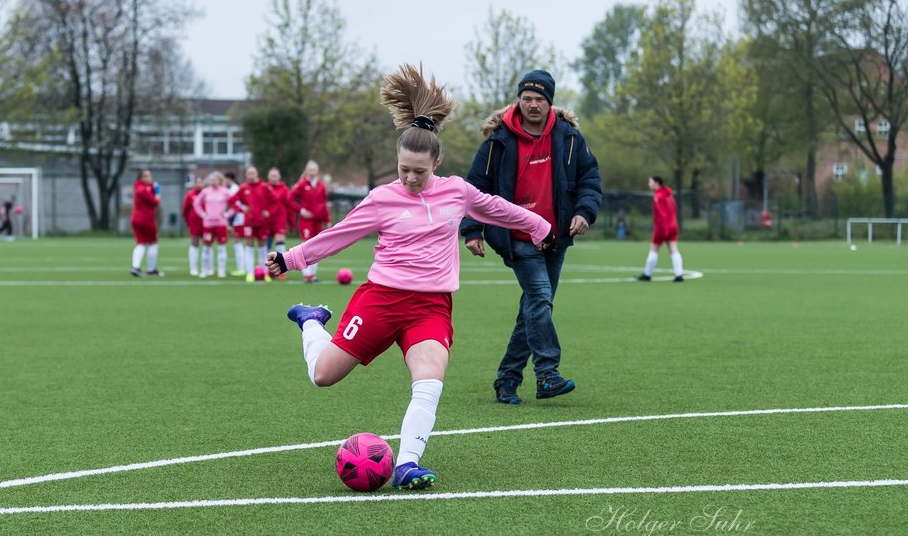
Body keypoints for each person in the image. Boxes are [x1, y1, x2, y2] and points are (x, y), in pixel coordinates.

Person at [266, 64, 553, 490]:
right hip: (380, 300)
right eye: (404, 169)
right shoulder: (382, 198)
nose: (411, 178)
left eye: (419, 170)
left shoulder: (457, 191)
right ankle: (311, 320)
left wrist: (538, 225)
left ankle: (407, 464)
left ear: (436, 162)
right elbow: (339, 235)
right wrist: (289, 259)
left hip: (431, 308)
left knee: (429, 380)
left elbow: (497, 207)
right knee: (323, 376)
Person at [460, 69, 603, 406]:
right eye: (527, 98)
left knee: (533, 309)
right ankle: (547, 374)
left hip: (557, 235)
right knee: (539, 297)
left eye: (539, 99)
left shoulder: (569, 138)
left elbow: (590, 178)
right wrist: (471, 230)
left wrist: (584, 212)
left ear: (550, 102)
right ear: (519, 100)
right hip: (515, 236)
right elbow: (473, 187)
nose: (533, 104)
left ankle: (507, 379)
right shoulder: (498, 141)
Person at [229, 165, 274, 283]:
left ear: (257, 174)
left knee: (263, 247)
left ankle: (264, 273)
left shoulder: (265, 187)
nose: (251, 175)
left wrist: (268, 212)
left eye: (253, 173)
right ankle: (249, 273)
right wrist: (241, 209)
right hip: (249, 222)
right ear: (246, 175)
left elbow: (274, 200)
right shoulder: (243, 188)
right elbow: (232, 200)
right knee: (249, 246)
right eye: (249, 173)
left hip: (262, 223)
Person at [637, 175, 685, 282]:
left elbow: (661, 213)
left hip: (662, 226)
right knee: (673, 249)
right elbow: (674, 210)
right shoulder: (669, 195)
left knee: (653, 249)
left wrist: (663, 228)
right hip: (673, 225)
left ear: (656, 183)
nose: (648, 184)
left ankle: (647, 274)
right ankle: (679, 275)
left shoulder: (658, 196)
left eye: (650, 182)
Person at [289, 160, 330, 283]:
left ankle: (313, 274)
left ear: (317, 171)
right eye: (310, 170)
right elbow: (289, 199)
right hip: (306, 221)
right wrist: (301, 210)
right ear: (306, 171)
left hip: (318, 221)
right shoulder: (301, 184)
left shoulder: (321, 186)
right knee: (306, 245)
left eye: (314, 170)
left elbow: (323, 204)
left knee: (317, 246)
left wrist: (327, 220)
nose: (312, 172)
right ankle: (306, 274)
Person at [193, 171, 233, 279]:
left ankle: (221, 270)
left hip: (221, 224)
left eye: (214, 179)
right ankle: (204, 270)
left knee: (221, 248)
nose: (212, 181)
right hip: (208, 224)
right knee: (206, 248)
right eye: (211, 180)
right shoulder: (206, 191)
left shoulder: (225, 191)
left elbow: (235, 204)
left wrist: (227, 214)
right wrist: (202, 214)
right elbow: (196, 203)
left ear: (220, 180)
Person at [130, 169, 162, 277]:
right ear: (141, 178)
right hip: (146, 219)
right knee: (153, 243)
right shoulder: (143, 189)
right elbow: (155, 202)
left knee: (140, 243)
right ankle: (151, 269)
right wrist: (157, 193)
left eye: (150, 176)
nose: (149, 178)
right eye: (146, 176)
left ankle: (136, 267)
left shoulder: (138, 187)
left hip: (136, 218)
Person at [223, 171, 247, 276]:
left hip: (239, 219)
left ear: (229, 179)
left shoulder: (234, 189)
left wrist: (227, 216)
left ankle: (242, 268)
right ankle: (242, 267)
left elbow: (236, 206)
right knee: (238, 243)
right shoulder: (233, 189)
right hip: (237, 218)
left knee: (239, 243)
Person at [265, 167, 292, 256]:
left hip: (280, 218)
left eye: (275, 176)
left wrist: (290, 221)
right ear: (268, 176)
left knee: (280, 240)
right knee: (267, 242)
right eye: (272, 176)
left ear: (279, 177)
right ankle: (265, 267)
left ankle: (281, 266)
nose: (273, 178)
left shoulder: (284, 189)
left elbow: (289, 204)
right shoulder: (264, 188)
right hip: (267, 219)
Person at [183, 175, 206, 278]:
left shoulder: (207, 193)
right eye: (197, 182)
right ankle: (193, 268)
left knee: (207, 245)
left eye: (201, 182)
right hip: (194, 224)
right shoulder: (190, 194)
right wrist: (188, 222)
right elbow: (185, 210)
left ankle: (207, 268)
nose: (199, 184)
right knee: (194, 244)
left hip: (207, 223)